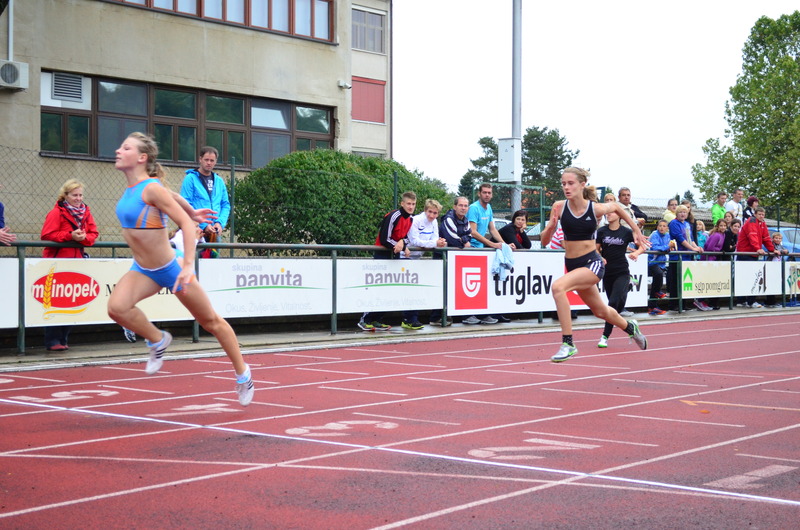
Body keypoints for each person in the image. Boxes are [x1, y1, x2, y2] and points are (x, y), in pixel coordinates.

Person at [107, 132, 254, 406]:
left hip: (171, 268)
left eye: (125, 148)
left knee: (210, 322)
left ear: (141, 157)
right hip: (143, 269)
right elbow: (173, 195)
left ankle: (243, 373)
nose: (118, 151)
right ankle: (157, 339)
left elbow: (186, 226)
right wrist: (193, 210)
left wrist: (187, 264)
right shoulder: (136, 188)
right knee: (117, 308)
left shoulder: (151, 188)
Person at [540, 167, 648, 362]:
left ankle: (568, 344)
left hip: (592, 263)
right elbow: (544, 241)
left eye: (570, 183)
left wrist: (636, 231)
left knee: (558, 287)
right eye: (563, 184)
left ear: (582, 185)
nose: (566, 187)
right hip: (573, 265)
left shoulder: (594, 208)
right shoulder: (559, 207)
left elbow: (616, 207)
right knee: (601, 311)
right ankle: (630, 328)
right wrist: (550, 228)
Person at [40, 179, 99, 352]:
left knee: (72, 301)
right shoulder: (56, 213)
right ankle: (53, 340)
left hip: (76, 261)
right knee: (57, 302)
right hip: (57, 261)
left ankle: (63, 338)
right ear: (65, 195)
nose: (78, 198)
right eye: (75, 195)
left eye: (80, 195)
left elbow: (94, 233)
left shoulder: (86, 212)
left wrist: (83, 238)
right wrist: (69, 235)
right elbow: (47, 234)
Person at [357, 191, 416, 331]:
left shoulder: (411, 219)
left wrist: (403, 243)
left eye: (413, 204)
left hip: (395, 256)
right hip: (382, 255)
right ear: (402, 203)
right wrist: (401, 246)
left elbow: (408, 238)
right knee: (377, 288)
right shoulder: (393, 216)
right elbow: (385, 239)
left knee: (389, 290)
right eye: (408, 203)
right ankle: (365, 319)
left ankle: (377, 319)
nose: (411, 206)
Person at [595, 208, 645, 348]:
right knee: (616, 308)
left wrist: (636, 253)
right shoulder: (602, 231)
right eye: (607, 213)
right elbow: (595, 249)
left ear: (619, 215)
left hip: (622, 271)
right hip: (607, 273)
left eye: (611, 212)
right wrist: (600, 257)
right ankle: (629, 287)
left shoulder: (626, 232)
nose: (608, 214)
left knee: (612, 304)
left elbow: (642, 247)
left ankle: (605, 336)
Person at [402, 198, 446, 329]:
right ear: (425, 210)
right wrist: (434, 243)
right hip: (404, 258)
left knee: (415, 290)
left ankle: (411, 319)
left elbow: (434, 240)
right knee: (410, 290)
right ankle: (409, 319)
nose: (432, 215)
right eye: (430, 212)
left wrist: (439, 243)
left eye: (435, 213)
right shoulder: (415, 220)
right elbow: (415, 241)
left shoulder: (434, 222)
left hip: (416, 260)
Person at [464, 183, 502, 325]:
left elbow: (492, 229)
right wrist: (492, 244)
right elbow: (473, 232)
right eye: (484, 192)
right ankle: (468, 314)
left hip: (480, 251)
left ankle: (483, 313)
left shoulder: (489, 208)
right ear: (479, 193)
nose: (487, 195)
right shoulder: (474, 208)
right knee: (469, 283)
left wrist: (503, 244)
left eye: (489, 192)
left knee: (482, 284)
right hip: (470, 249)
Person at [179, 146, 230, 244]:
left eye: (212, 160)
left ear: (215, 162)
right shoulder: (190, 179)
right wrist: (204, 225)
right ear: (200, 159)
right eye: (206, 160)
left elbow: (225, 205)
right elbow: (185, 204)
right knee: (195, 255)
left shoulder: (219, 181)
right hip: (196, 231)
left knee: (214, 254)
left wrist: (219, 223)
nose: (209, 163)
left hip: (215, 233)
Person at [736, 206, 775, 308]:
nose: (761, 216)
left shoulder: (762, 223)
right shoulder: (752, 221)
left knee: (751, 277)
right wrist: (758, 248)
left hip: (752, 253)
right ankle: (748, 301)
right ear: (755, 214)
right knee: (748, 277)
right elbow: (752, 235)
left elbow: (766, 238)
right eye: (759, 214)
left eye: (763, 215)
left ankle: (745, 301)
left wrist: (772, 249)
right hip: (745, 253)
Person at [667, 205, 703, 312]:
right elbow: (680, 238)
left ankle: (683, 303)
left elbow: (690, 239)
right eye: (680, 212)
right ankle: (674, 304)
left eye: (685, 212)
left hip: (687, 257)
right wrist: (692, 249)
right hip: (677, 256)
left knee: (685, 281)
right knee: (676, 282)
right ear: (677, 213)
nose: (683, 214)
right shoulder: (674, 223)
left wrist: (697, 247)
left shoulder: (687, 224)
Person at [647, 219, 672, 315]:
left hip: (662, 262)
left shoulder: (668, 236)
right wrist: (667, 247)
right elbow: (655, 248)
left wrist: (669, 247)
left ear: (667, 228)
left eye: (664, 226)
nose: (661, 228)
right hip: (652, 262)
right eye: (660, 226)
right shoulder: (654, 235)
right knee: (658, 274)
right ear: (657, 227)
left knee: (657, 283)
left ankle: (652, 306)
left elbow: (670, 247)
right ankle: (657, 294)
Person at [703, 218, 729, 309]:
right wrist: (719, 250)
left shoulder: (723, 235)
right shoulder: (717, 235)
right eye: (721, 225)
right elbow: (710, 247)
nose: (723, 227)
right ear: (717, 226)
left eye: (724, 226)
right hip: (709, 259)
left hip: (714, 258)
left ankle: (711, 302)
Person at [765, 231, 790, 308]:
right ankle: (770, 301)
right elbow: (775, 250)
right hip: (771, 266)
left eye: (779, 238)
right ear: (772, 239)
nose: (778, 239)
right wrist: (782, 251)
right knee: (770, 283)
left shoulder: (781, 246)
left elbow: (785, 250)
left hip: (778, 267)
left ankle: (773, 301)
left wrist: (786, 251)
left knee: (775, 283)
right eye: (776, 238)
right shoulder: (772, 245)